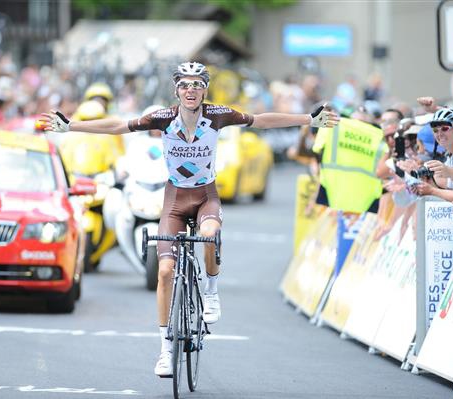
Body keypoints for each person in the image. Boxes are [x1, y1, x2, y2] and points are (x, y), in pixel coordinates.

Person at [38, 62, 339, 377]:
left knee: (209, 234)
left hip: (205, 196)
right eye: (185, 85)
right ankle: (166, 351)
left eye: (197, 85)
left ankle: (210, 290)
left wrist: (309, 120)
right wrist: (70, 126)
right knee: (165, 270)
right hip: (174, 199)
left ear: (205, 89)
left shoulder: (217, 115)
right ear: (176, 89)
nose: (191, 90)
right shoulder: (163, 118)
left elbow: (261, 121)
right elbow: (119, 126)